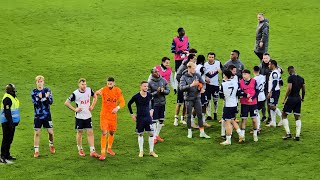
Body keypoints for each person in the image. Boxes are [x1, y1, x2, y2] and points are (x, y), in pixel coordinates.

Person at [64, 78, 100, 158]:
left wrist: (92, 106)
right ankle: (80, 149)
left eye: (85, 84)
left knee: (90, 132)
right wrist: (75, 109)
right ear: (79, 85)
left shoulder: (89, 90)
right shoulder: (75, 94)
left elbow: (95, 96)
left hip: (88, 116)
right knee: (80, 132)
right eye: (82, 84)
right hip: (79, 117)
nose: (84, 86)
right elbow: (66, 103)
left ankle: (92, 151)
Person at [95, 77, 125, 160]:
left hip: (112, 116)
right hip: (104, 115)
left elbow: (122, 102)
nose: (109, 85)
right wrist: (98, 92)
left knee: (111, 132)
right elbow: (96, 93)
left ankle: (109, 148)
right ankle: (103, 153)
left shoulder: (118, 91)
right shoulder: (104, 90)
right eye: (108, 83)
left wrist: (117, 108)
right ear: (106, 83)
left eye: (111, 83)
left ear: (114, 83)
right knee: (104, 132)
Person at [180, 62, 210, 139]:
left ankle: (202, 132)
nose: (195, 69)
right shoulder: (183, 77)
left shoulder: (197, 75)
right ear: (189, 68)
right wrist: (191, 85)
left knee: (199, 114)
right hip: (188, 99)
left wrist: (201, 88)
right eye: (193, 68)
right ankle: (189, 132)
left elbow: (203, 83)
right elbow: (181, 88)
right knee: (189, 115)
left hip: (197, 97)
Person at [128, 81, 158, 158]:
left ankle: (151, 151)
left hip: (148, 117)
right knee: (140, 134)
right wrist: (132, 114)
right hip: (140, 118)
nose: (146, 88)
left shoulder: (149, 95)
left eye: (147, 86)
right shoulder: (136, 96)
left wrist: (152, 110)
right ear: (141, 87)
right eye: (144, 86)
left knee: (151, 133)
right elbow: (129, 104)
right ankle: (141, 151)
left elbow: (153, 102)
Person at [219, 70, 245, 145]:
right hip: (234, 104)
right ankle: (241, 134)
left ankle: (228, 140)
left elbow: (221, 96)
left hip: (227, 105)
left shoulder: (223, 85)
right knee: (233, 120)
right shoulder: (236, 83)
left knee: (227, 122)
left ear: (225, 75)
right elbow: (239, 93)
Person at [31, 75, 55, 158]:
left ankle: (51, 144)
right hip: (37, 116)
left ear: (43, 82)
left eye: (41, 81)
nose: (40, 83)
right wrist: (45, 97)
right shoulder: (34, 92)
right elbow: (36, 102)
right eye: (38, 81)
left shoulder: (47, 90)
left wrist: (43, 98)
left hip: (47, 115)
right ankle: (36, 151)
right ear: (36, 82)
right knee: (37, 133)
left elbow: (51, 102)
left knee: (51, 133)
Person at [282, 66, 305, 141]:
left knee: (284, 114)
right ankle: (297, 135)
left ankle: (288, 133)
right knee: (297, 116)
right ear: (295, 70)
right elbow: (304, 89)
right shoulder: (301, 78)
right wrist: (302, 97)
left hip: (291, 98)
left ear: (289, 71)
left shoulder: (290, 78)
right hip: (298, 98)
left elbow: (289, 88)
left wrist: (284, 98)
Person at [148, 68, 170, 144]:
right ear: (152, 73)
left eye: (157, 71)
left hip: (162, 103)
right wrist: (156, 92)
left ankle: (157, 135)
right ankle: (153, 137)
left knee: (161, 120)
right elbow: (148, 94)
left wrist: (164, 91)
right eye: (155, 72)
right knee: (154, 121)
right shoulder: (150, 82)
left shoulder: (163, 80)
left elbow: (168, 90)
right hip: (154, 104)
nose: (157, 73)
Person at [174, 54, 197, 126]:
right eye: (194, 59)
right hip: (182, 87)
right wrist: (183, 83)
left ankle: (182, 118)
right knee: (179, 102)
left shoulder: (193, 67)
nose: (195, 60)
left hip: (189, 87)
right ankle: (176, 119)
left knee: (185, 103)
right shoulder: (183, 66)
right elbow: (178, 76)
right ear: (190, 59)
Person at [0, 84, 20, 164]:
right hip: (7, 122)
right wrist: (10, 123)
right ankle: (2, 156)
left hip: (11, 122)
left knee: (10, 139)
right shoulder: (7, 99)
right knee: (6, 139)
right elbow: (7, 112)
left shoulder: (12, 97)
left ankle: (7, 155)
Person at [239, 70, 259, 142]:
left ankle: (255, 134)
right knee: (244, 119)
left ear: (248, 75)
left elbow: (257, 91)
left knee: (254, 120)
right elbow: (239, 91)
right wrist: (244, 95)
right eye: (242, 74)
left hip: (253, 104)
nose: (243, 76)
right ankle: (242, 136)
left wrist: (252, 98)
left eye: (245, 74)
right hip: (244, 104)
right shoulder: (240, 82)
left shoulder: (254, 81)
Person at [204, 52, 223, 121]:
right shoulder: (205, 65)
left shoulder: (218, 63)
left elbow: (223, 70)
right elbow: (208, 75)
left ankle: (215, 112)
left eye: (212, 57)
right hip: (208, 85)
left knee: (215, 100)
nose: (211, 59)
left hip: (216, 85)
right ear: (207, 57)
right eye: (209, 57)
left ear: (214, 58)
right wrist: (217, 72)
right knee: (208, 100)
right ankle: (209, 114)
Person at [266, 60, 283, 127]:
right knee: (271, 105)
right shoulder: (275, 72)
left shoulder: (275, 73)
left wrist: (271, 92)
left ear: (273, 65)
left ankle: (282, 118)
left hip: (274, 92)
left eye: (269, 64)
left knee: (272, 106)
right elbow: (281, 82)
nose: (268, 66)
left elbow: (275, 82)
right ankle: (273, 122)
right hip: (274, 91)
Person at [195, 55, 210, 127]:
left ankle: (201, 121)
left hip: (199, 88)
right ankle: (200, 121)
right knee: (201, 105)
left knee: (203, 104)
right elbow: (206, 75)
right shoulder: (202, 68)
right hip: (201, 88)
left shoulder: (196, 66)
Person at [253, 66, 266, 131]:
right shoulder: (263, 77)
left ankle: (257, 128)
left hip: (258, 97)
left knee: (256, 112)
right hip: (263, 96)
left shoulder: (254, 79)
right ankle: (258, 127)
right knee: (257, 112)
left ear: (253, 71)